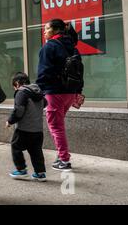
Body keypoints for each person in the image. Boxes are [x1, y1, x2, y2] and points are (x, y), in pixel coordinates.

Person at [36, 19, 83, 171]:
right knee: (59, 125)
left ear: (56, 30)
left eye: (46, 29)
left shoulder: (49, 47)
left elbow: (44, 72)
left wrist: (39, 90)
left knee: (56, 127)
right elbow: (79, 70)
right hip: (70, 92)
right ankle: (61, 156)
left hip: (54, 92)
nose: (44, 32)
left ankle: (64, 160)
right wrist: (78, 91)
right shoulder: (73, 47)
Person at [7, 72, 47, 182]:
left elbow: (19, 110)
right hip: (38, 129)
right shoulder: (38, 91)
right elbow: (45, 103)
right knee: (36, 151)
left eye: (14, 87)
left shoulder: (21, 92)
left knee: (15, 147)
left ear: (17, 83)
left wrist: (10, 121)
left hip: (24, 129)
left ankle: (21, 170)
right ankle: (40, 173)